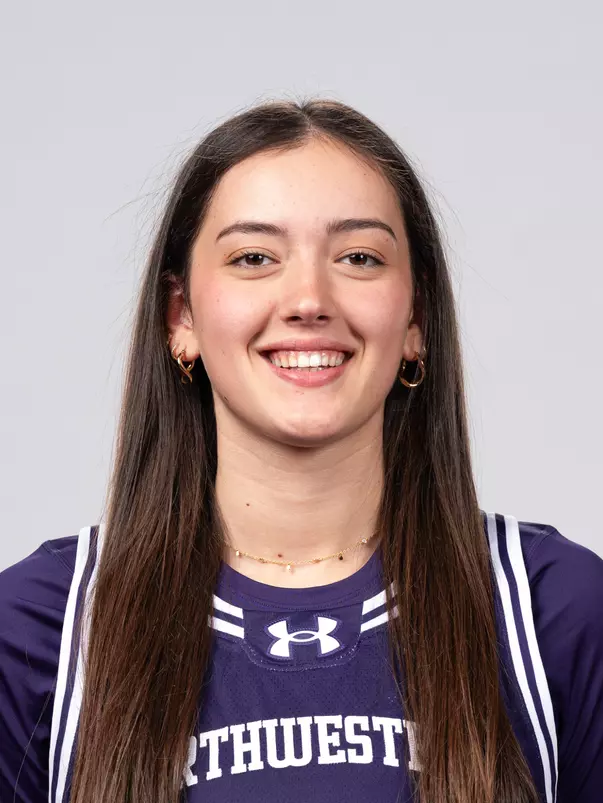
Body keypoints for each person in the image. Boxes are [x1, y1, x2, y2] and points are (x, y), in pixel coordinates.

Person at [1, 98, 602, 803]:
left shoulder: (550, 609)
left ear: (415, 320)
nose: (308, 298)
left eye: (358, 257)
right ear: (181, 318)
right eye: (254, 257)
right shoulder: (43, 627)